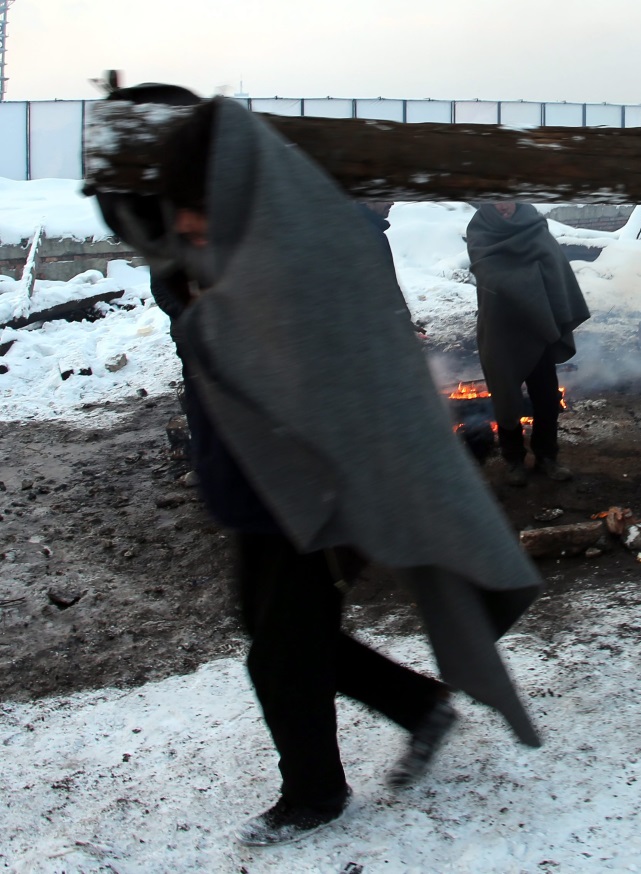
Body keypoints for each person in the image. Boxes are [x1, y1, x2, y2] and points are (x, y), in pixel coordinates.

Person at [94, 96, 545, 846]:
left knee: (280, 653)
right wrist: (118, 174)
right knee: (280, 635)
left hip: (305, 490)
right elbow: (158, 246)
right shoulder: (209, 243)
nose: (189, 231)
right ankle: (417, 707)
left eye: (197, 213)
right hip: (248, 480)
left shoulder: (301, 250)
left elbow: (354, 373)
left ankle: (315, 793)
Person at [466, 202, 591, 487]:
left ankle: (548, 456)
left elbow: (554, 263)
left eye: (508, 198)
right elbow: (487, 272)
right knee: (505, 396)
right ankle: (513, 460)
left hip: (538, 325)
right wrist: (529, 281)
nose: (504, 205)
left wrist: (534, 290)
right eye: (498, 199)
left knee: (546, 397)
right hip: (500, 326)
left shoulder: (533, 223)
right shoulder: (481, 227)